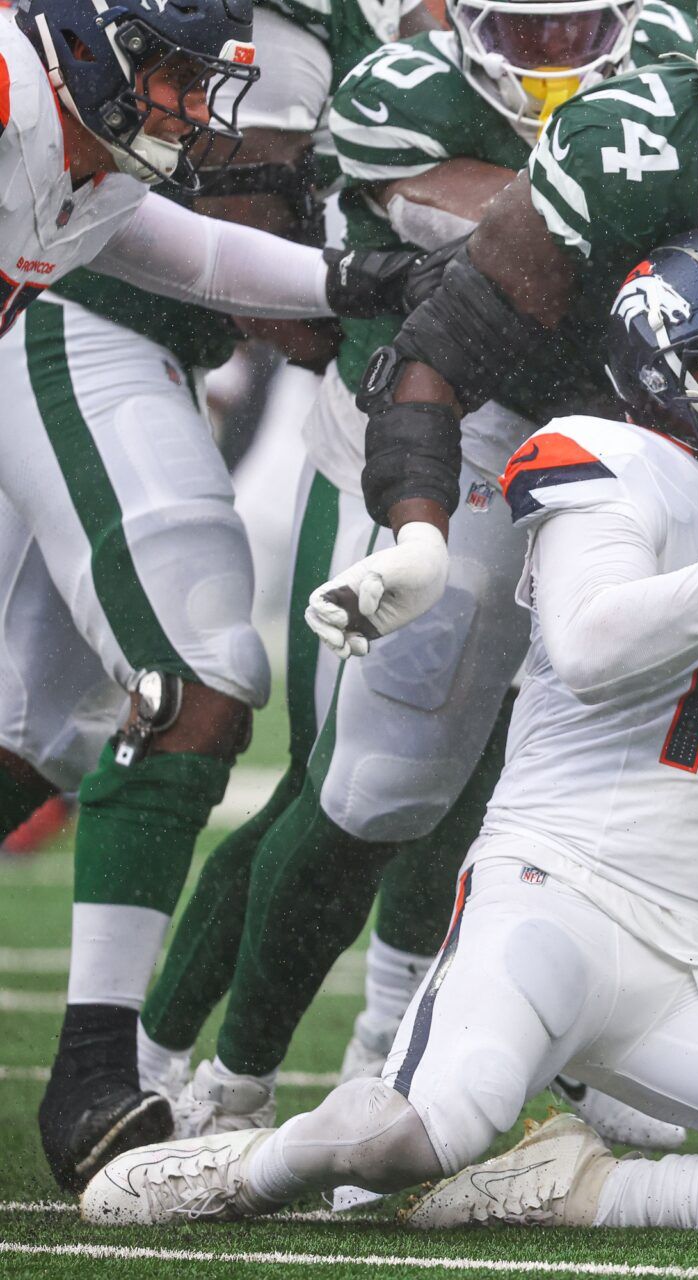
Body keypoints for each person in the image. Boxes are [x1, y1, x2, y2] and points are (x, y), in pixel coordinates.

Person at [80, 227, 698, 1234]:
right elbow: (593, 642)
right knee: (408, 1137)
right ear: (663, 373)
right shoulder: (612, 456)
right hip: (553, 903)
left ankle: (580, 1190)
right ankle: (244, 1166)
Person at [134, 0, 673, 1143]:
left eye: (581, 27)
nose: (555, 53)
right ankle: (171, 1056)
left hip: (588, 440)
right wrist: (630, 200)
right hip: (409, 435)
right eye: (528, 28)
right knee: (350, 784)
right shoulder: (404, 90)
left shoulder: (673, 64)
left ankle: (389, 1039)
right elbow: (535, 233)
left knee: (482, 776)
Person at [0, 0, 431, 1191]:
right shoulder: (15, 91)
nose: (195, 118)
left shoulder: (90, 132)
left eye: (205, 85)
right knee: (196, 677)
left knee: (32, 737)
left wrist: (357, 276)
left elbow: (183, 249)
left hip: (100, 342)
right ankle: (93, 1070)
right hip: (76, 348)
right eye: (178, 81)